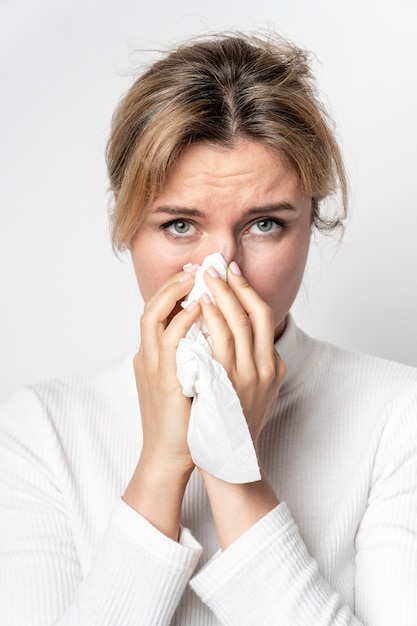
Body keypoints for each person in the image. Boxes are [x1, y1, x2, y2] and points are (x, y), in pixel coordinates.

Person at [1, 32, 416, 626]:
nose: (221, 269)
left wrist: (230, 463)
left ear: (310, 224)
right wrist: (161, 466)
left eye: (266, 224)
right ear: (127, 225)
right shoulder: (38, 435)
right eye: (179, 226)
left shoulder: (401, 419)